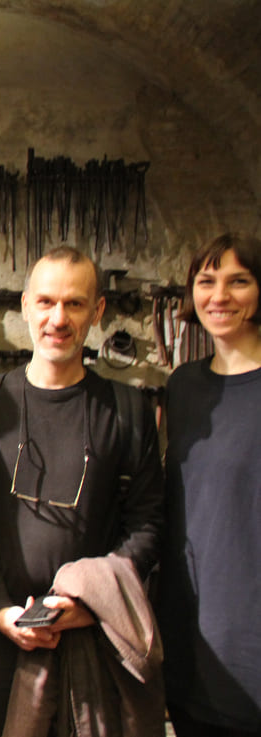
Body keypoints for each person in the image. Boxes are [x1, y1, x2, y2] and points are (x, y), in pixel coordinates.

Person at [0, 246, 165, 737]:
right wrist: (0, 610)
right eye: (45, 302)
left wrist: (91, 606)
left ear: (99, 311)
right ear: (25, 306)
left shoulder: (127, 412)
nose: (58, 319)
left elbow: (148, 524)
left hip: (92, 644)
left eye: (74, 304)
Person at [160, 233, 261, 737]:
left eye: (238, 281)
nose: (219, 295)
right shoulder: (183, 386)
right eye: (207, 281)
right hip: (192, 631)